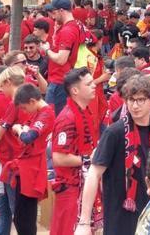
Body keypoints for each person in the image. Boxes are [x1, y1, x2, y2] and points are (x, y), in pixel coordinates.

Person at [79, 74, 150, 235]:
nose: (134, 106)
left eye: (140, 100)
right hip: (121, 216)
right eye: (131, 100)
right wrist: (84, 222)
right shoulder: (115, 132)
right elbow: (94, 173)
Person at [51, 67, 98, 235]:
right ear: (75, 90)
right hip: (70, 187)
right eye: (89, 83)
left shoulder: (84, 111)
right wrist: (90, 159)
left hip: (83, 183)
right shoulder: (66, 118)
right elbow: (58, 158)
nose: (94, 86)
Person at [2, 84, 54, 235]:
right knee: (20, 216)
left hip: (33, 168)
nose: (24, 112)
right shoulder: (38, 112)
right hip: (26, 167)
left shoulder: (46, 113)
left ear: (32, 101)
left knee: (25, 217)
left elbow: (28, 136)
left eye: (24, 108)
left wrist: (19, 130)